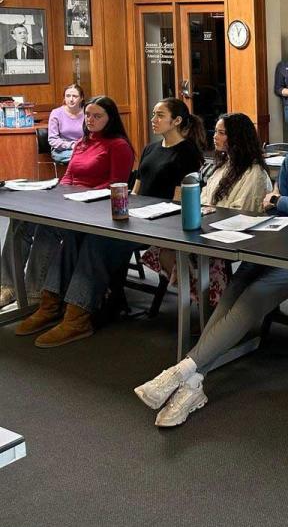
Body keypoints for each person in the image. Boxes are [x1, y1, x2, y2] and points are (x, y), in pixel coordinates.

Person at [135, 93, 288, 428]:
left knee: (256, 295)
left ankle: (181, 371)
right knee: (235, 287)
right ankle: (194, 380)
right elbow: (280, 202)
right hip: (279, 239)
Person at [20, 98, 204, 348]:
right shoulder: (151, 149)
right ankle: (50, 304)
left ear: (177, 121)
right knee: (75, 235)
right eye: (153, 114)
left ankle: (78, 315)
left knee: (97, 242)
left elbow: (179, 202)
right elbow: (135, 190)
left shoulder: (187, 152)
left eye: (160, 115)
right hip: (135, 217)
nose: (153, 119)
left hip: (159, 223)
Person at [3, 96, 134, 314]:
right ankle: (8, 285)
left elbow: (115, 184)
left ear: (110, 119)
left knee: (47, 229)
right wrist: (58, 196)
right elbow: (68, 176)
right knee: (20, 222)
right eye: (88, 115)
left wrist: (79, 195)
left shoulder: (118, 146)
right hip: (69, 203)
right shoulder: (83, 142)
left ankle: (35, 293)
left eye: (97, 116)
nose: (90, 120)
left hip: (93, 208)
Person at [141, 113, 272, 306]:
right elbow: (204, 199)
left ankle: (208, 303)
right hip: (210, 225)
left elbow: (243, 212)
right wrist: (204, 211)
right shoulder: (224, 165)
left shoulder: (254, 173)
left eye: (221, 133)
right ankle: (200, 296)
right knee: (162, 247)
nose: (215, 136)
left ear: (236, 138)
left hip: (233, 233)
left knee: (205, 255)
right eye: (216, 131)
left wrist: (208, 212)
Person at [47, 83, 85, 163]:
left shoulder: (87, 113)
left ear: (81, 98)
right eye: (68, 96)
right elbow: (53, 139)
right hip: (62, 150)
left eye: (75, 96)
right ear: (64, 97)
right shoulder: (56, 113)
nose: (71, 99)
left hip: (84, 148)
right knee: (83, 157)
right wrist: (72, 145)